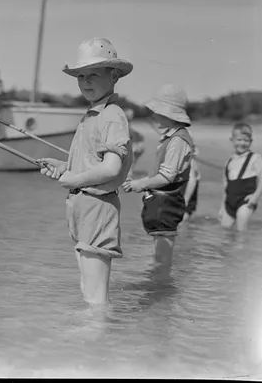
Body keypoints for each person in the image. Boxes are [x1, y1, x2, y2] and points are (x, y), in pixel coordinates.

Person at [37, 38, 133, 305]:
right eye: (80, 76)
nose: (85, 81)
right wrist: (63, 167)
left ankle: (96, 335)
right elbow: (92, 161)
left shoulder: (112, 115)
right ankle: (90, 342)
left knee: (95, 294)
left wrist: (75, 179)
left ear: (114, 76)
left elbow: (112, 167)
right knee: (87, 286)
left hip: (98, 207)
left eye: (93, 74)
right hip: (81, 206)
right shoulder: (92, 114)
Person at [122, 84, 193, 273]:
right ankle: (159, 291)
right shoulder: (170, 137)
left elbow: (167, 176)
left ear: (169, 115)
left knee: (162, 260)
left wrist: (141, 183)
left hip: (167, 206)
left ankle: (161, 292)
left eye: (156, 112)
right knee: (159, 257)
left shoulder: (178, 140)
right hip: (160, 203)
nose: (153, 116)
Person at [218, 122, 262, 232]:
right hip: (229, 202)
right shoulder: (229, 161)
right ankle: (229, 249)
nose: (242, 143)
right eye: (239, 139)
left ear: (251, 142)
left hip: (246, 201)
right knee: (225, 230)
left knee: (241, 227)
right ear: (232, 140)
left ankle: (242, 247)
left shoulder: (255, 158)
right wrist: (222, 207)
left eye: (246, 140)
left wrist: (255, 197)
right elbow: (225, 186)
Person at [182, 143, 201, 222]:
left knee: (182, 220)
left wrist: (184, 202)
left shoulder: (190, 163)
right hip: (181, 199)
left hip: (185, 201)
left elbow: (191, 182)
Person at [124, 108, 145, 176]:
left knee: (130, 164)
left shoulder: (128, 125)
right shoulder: (127, 125)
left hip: (136, 145)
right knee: (130, 164)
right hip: (136, 145)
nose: (131, 116)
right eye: (129, 114)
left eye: (131, 114)